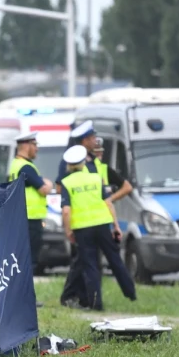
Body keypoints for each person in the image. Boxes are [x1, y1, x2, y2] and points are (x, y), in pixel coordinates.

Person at [59, 145, 137, 310]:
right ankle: (130, 292)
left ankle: (96, 303)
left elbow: (66, 211)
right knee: (115, 259)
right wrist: (115, 225)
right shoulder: (95, 178)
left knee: (90, 265)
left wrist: (68, 231)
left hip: (82, 228)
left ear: (69, 165)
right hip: (102, 224)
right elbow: (108, 203)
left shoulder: (67, 182)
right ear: (83, 162)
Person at [59, 121, 107, 307]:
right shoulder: (70, 160)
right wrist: (69, 226)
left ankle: (86, 298)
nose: (96, 140)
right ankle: (72, 296)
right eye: (92, 138)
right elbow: (62, 187)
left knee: (91, 262)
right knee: (82, 262)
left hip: (96, 220)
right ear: (84, 140)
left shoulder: (94, 161)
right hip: (80, 221)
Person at [8, 132, 54, 269]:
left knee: (22, 257)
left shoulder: (15, 164)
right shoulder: (26, 167)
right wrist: (48, 183)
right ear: (26, 146)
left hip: (21, 217)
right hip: (31, 218)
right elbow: (44, 189)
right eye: (35, 145)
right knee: (30, 258)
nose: (37, 148)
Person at [91, 137, 134, 204]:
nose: (98, 155)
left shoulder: (105, 169)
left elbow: (127, 187)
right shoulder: (81, 169)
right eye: (95, 152)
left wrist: (110, 199)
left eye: (99, 152)